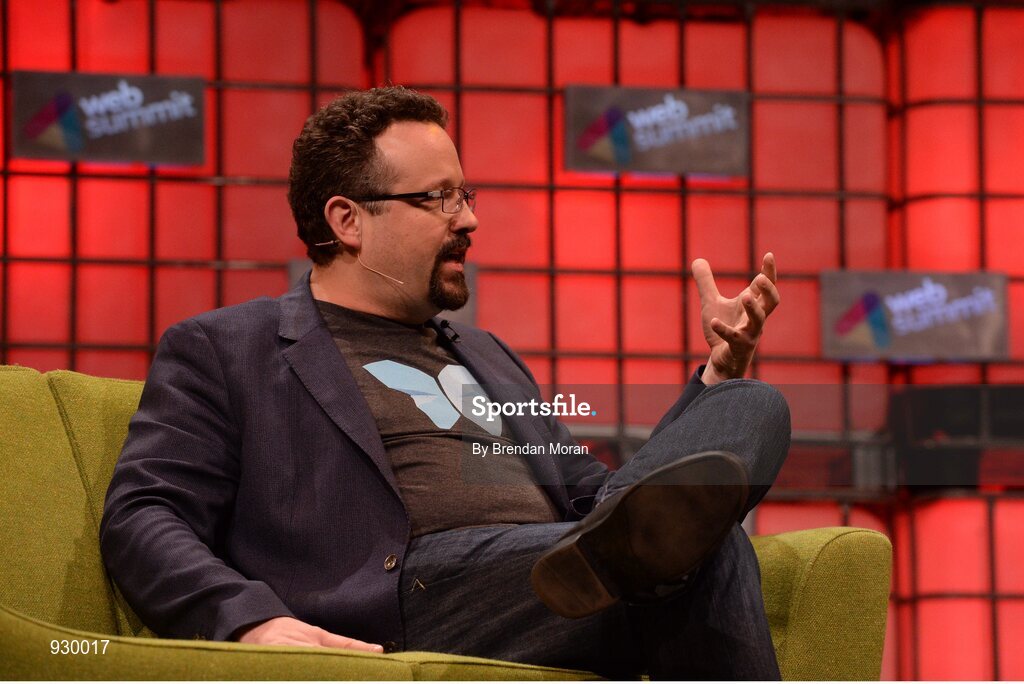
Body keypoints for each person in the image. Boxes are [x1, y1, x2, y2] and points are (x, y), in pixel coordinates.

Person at [100, 86, 790, 679]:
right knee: (692, 540)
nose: (469, 218)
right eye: (438, 198)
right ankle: (620, 562)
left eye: (465, 193)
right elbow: (143, 513)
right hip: (408, 592)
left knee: (750, 407)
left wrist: (718, 374)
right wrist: (249, 621)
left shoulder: (488, 356)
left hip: (546, 583)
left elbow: (596, 492)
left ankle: (615, 560)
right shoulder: (227, 349)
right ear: (347, 222)